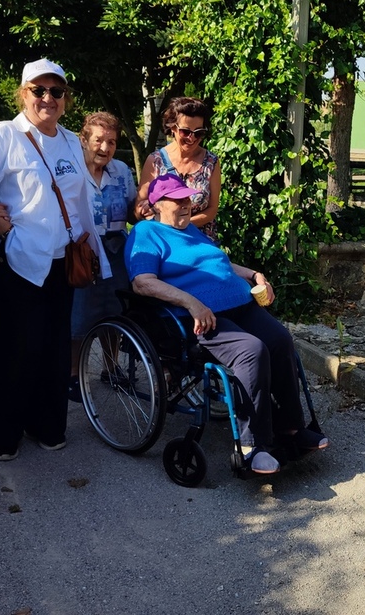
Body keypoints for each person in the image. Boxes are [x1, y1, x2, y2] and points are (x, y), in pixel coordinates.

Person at [0, 58, 109, 461]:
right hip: (15, 261)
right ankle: (4, 433)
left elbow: (78, 201)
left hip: (61, 260)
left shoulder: (71, 141)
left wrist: (87, 243)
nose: (47, 98)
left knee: (55, 346)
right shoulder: (4, 135)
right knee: (16, 347)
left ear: (65, 98)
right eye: (38, 90)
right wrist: (2, 227)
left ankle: (47, 424)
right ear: (23, 93)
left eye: (55, 92)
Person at [126, 173, 328, 475]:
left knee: (280, 339)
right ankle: (252, 446)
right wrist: (192, 303)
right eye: (178, 200)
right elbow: (142, 283)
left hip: (241, 304)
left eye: (187, 199)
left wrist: (253, 275)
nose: (186, 205)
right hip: (201, 318)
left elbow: (218, 262)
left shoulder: (192, 231)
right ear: (157, 204)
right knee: (252, 351)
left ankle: (290, 428)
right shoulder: (146, 233)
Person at [68, 111, 137, 401]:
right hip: (84, 249)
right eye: (98, 140)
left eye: (111, 141)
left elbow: (133, 208)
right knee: (80, 315)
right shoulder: (71, 172)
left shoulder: (121, 170)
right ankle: (72, 374)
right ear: (84, 140)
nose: (105, 148)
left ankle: (110, 367)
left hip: (116, 249)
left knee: (115, 311)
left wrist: (142, 211)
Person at [135, 97, 221, 240]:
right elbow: (139, 207)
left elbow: (212, 209)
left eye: (198, 132)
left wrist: (182, 225)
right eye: (185, 132)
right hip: (164, 241)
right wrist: (143, 211)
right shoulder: (155, 161)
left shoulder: (211, 162)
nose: (192, 138)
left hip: (201, 241)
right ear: (173, 128)